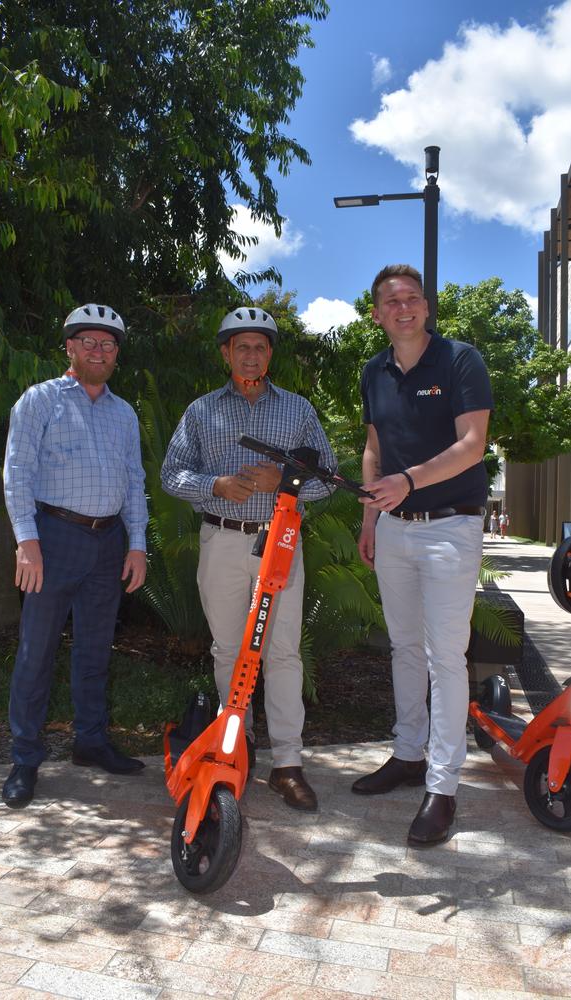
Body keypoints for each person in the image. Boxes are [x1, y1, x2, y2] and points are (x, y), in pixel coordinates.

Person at [161, 306, 336, 811]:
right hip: (223, 540)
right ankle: (239, 746)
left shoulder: (298, 410)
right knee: (227, 650)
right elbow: (173, 474)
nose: (252, 355)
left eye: (261, 346)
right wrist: (212, 484)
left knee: (283, 652)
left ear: (271, 353)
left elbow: (327, 479)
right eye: (242, 347)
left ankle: (288, 764)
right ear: (225, 353)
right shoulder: (201, 412)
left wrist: (283, 482)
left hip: (280, 541)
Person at [352, 265, 493, 846]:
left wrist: (408, 481)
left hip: (449, 528)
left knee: (445, 656)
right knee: (405, 648)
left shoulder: (461, 360)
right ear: (379, 314)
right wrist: (370, 517)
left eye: (411, 298)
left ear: (426, 307)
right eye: (391, 301)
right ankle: (408, 755)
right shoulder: (373, 371)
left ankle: (443, 785)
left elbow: (472, 444)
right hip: (394, 530)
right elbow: (373, 448)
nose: (402, 308)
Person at [2, 303, 149, 808]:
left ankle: (91, 741)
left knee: (94, 650)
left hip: (108, 545)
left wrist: (136, 544)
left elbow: (134, 480)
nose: (99, 351)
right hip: (53, 539)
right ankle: (24, 758)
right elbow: (17, 473)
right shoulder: (39, 400)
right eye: (88, 342)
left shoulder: (123, 413)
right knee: (35, 652)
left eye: (108, 345)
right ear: (69, 346)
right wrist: (27, 542)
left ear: (116, 355)